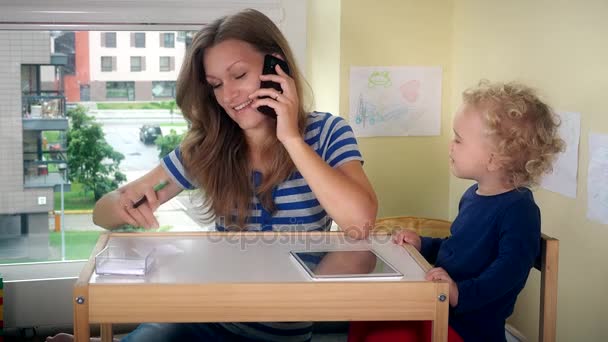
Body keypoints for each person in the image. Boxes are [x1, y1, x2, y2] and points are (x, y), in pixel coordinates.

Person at [46, 8, 377, 342]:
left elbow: (360, 222)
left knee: (357, 252)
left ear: (276, 67)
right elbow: (102, 213)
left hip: (283, 332)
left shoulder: (327, 132)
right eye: (216, 85)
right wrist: (119, 206)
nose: (229, 97)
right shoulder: (209, 148)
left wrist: (290, 137)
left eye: (239, 75)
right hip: (204, 316)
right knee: (156, 336)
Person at [348, 80, 564, 342]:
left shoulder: (520, 211)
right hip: (438, 307)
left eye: (459, 140)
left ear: (494, 158)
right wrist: (422, 243)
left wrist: (459, 293)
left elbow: (509, 273)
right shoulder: (473, 196)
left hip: (470, 328)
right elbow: (457, 249)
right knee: (365, 311)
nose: (451, 145)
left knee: (384, 337)